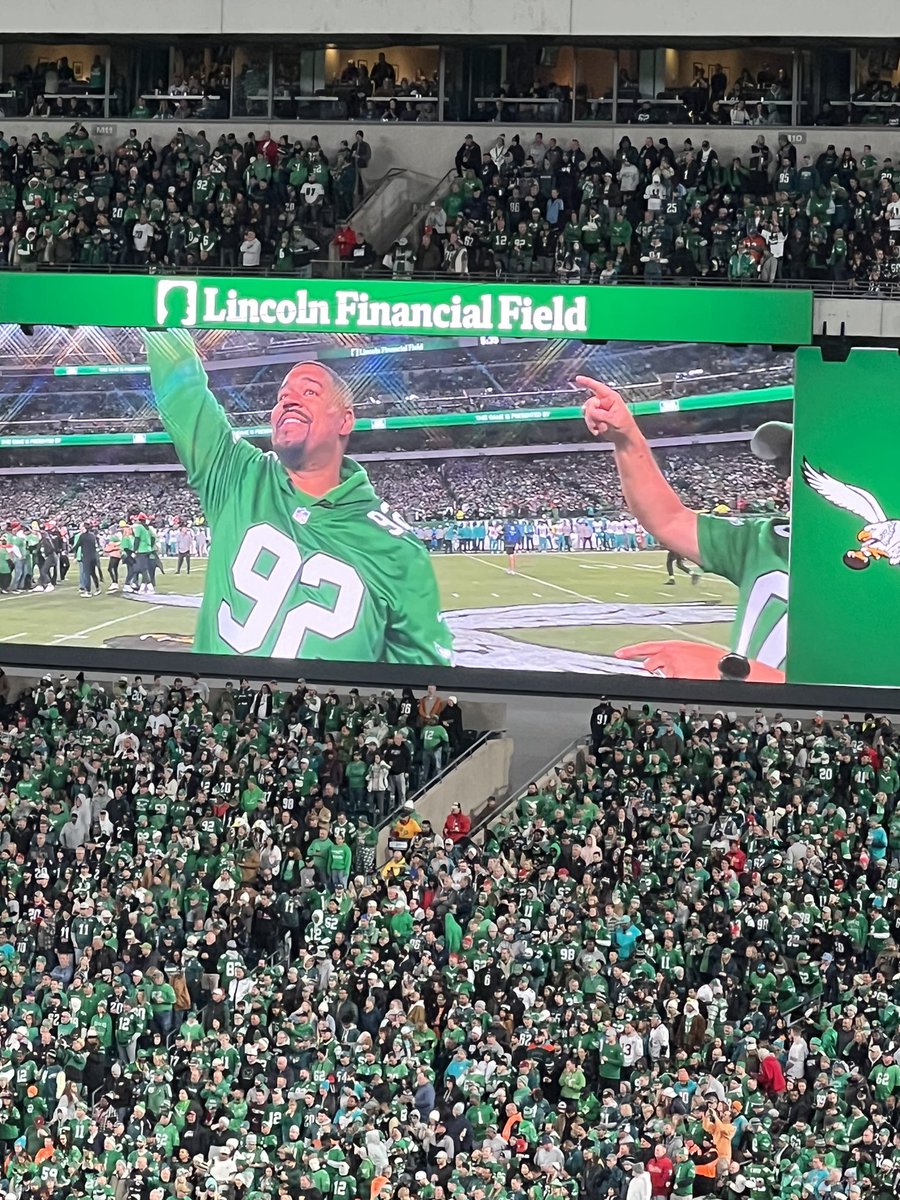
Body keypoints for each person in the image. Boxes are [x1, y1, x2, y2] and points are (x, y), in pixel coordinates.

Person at [143, 330, 453, 662]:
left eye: (309, 391)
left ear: (345, 420)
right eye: (281, 396)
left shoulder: (398, 549)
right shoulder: (237, 476)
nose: (288, 400)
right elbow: (183, 394)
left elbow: (421, 684)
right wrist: (160, 307)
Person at [580, 374, 788, 681]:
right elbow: (669, 520)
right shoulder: (764, 538)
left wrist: (741, 674)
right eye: (787, 466)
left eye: (810, 466)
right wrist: (627, 438)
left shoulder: (879, 564)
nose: (788, 479)